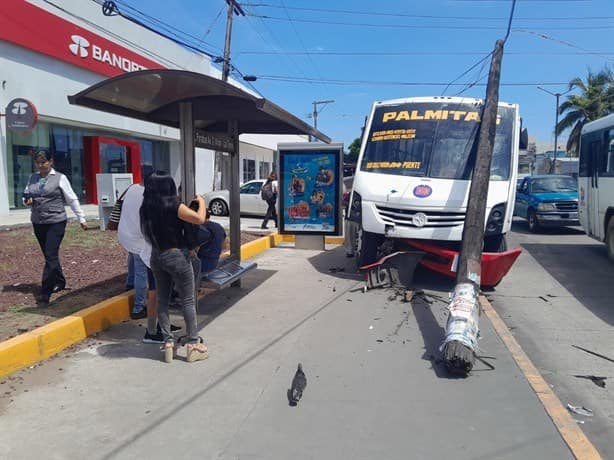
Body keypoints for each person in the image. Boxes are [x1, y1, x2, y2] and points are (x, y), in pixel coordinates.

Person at [140, 171, 208, 363]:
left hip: (156, 256)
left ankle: (168, 342)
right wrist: (201, 201)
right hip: (176, 256)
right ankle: (194, 342)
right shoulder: (173, 205)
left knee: (163, 298)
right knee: (187, 299)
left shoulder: (145, 208)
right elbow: (199, 218)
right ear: (168, 186)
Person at [23, 150, 88, 305]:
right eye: (38, 162)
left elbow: (71, 198)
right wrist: (27, 201)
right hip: (38, 221)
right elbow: (25, 195)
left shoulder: (60, 178)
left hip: (56, 221)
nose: (40, 165)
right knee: (49, 255)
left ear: (50, 162)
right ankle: (60, 280)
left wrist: (81, 218)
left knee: (51, 255)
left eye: (43, 162)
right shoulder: (33, 178)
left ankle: (45, 292)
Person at [198, 209, 229, 276]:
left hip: (203, 264)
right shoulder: (219, 226)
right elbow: (225, 246)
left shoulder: (201, 228)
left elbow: (194, 249)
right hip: (214, 261)